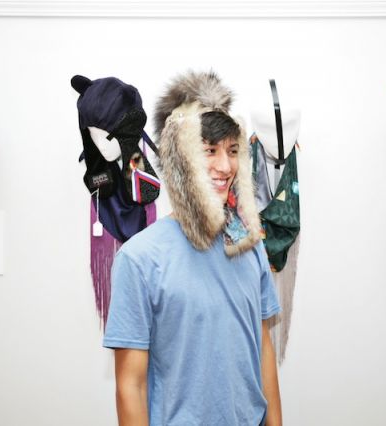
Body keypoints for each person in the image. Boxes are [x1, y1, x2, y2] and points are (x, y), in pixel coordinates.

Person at [103, 71, 282, 426]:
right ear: (181, 159)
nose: (225, 166)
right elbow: (130, 386)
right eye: (209, 151)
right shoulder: (139, 260)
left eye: (232, 151)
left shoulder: (249, 245)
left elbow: (263, 347)